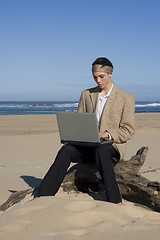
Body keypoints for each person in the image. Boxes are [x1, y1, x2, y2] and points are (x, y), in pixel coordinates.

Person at [36, 57, 135, 204]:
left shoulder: (126, 97)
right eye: (95, 77)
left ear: (110, 74)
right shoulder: (86, 94)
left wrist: (106, 134)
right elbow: (80, 122)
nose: (98, 81)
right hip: (88, 145)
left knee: (101, 151)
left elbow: (128, 130)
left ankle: (115, 200)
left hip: (111, 146)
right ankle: (43, 195)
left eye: (101, 77)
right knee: (66, 150)